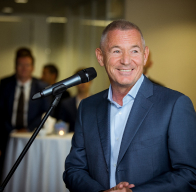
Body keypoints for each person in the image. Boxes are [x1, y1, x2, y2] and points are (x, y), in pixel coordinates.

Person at [63, 20, 196, 192]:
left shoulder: (175, 105)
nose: (126, 60)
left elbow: (189, 174)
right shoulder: (87, 107)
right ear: (100, 56)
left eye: (134, 51)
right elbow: (74, 170)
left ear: (145, 55)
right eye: (116, 51)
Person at [0, 47, 49, 181]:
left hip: (32, 137)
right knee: (7, 173)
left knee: (29, 174)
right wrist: (12, 131)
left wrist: (27, 129)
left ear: (32, 67)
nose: (24, 68)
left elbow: (45, 113)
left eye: (27, 65)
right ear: (15, 66)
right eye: (20, 65)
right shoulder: (4, 85)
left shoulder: (42, 87)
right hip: (7, 136)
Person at [58, 68, 92, 132]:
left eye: (85, 79)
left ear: (90, 81)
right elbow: (61, 125)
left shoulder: (98, 102)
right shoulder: (66, 104)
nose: (83, 83)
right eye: (80, 80)